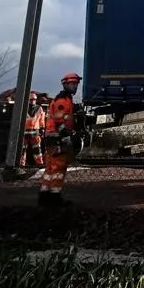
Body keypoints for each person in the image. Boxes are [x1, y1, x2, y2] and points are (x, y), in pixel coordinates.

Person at [39, 72, 82, 206]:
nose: (75, 86)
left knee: (51, 168)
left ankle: (44, 195)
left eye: (76, 84)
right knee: (59, 167)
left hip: (53, 138)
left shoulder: (65, 99)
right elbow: (59, 120)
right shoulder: (62, 100)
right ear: (65, 84)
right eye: (72, 84)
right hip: (57, 138)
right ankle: (54, 197)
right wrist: (66, 136)